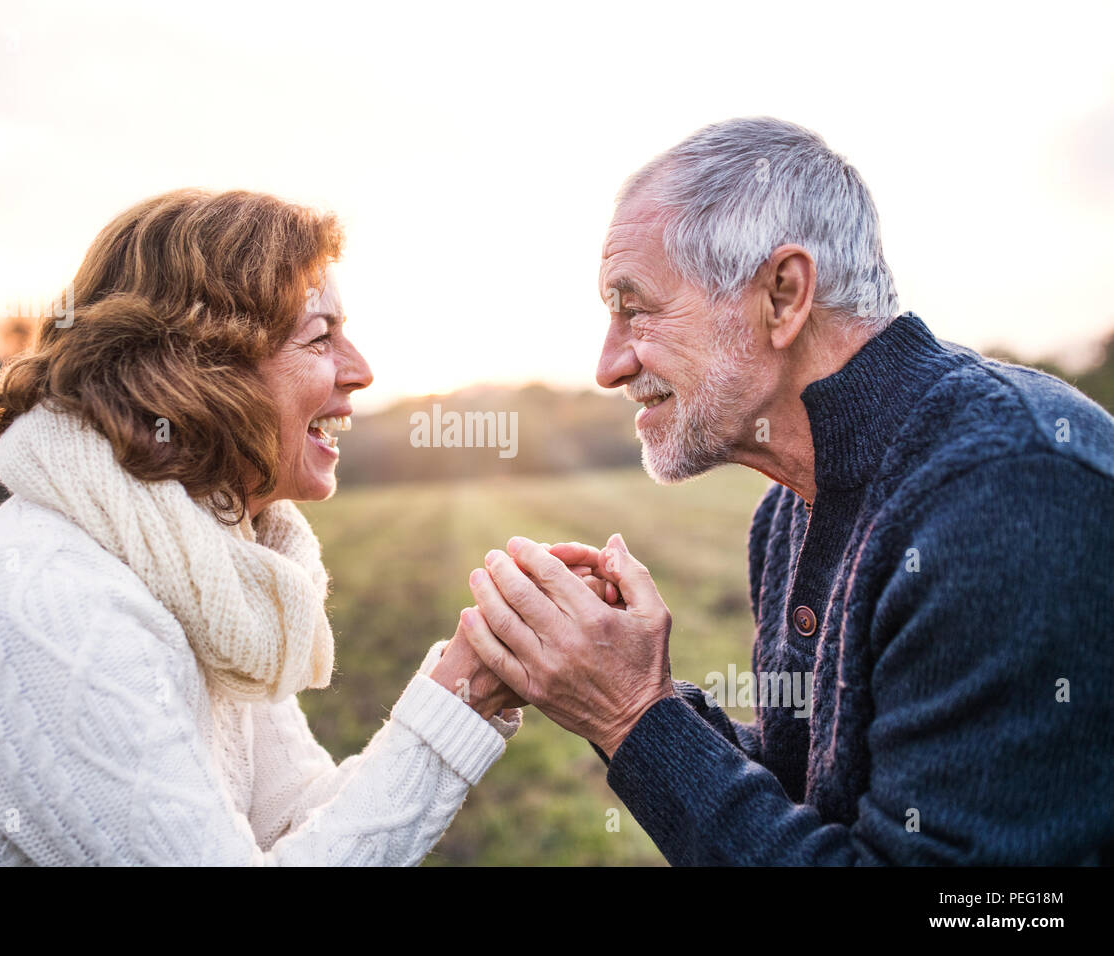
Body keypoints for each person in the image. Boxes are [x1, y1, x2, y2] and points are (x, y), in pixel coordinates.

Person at [464, 117, 1114, 864]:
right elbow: (818, 806)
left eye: (634, 307)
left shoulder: (1009, 496)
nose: (608, 366)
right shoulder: (786, 511)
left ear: (783, 295)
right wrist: (640, 691)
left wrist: (632, 717)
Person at [0, 188, 523, 866]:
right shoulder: (54, 596)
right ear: (199, 374)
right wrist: (451, 711)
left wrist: (467, 686)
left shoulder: (201, 566)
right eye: (321, 337)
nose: (362, 370)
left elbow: (292, 822)